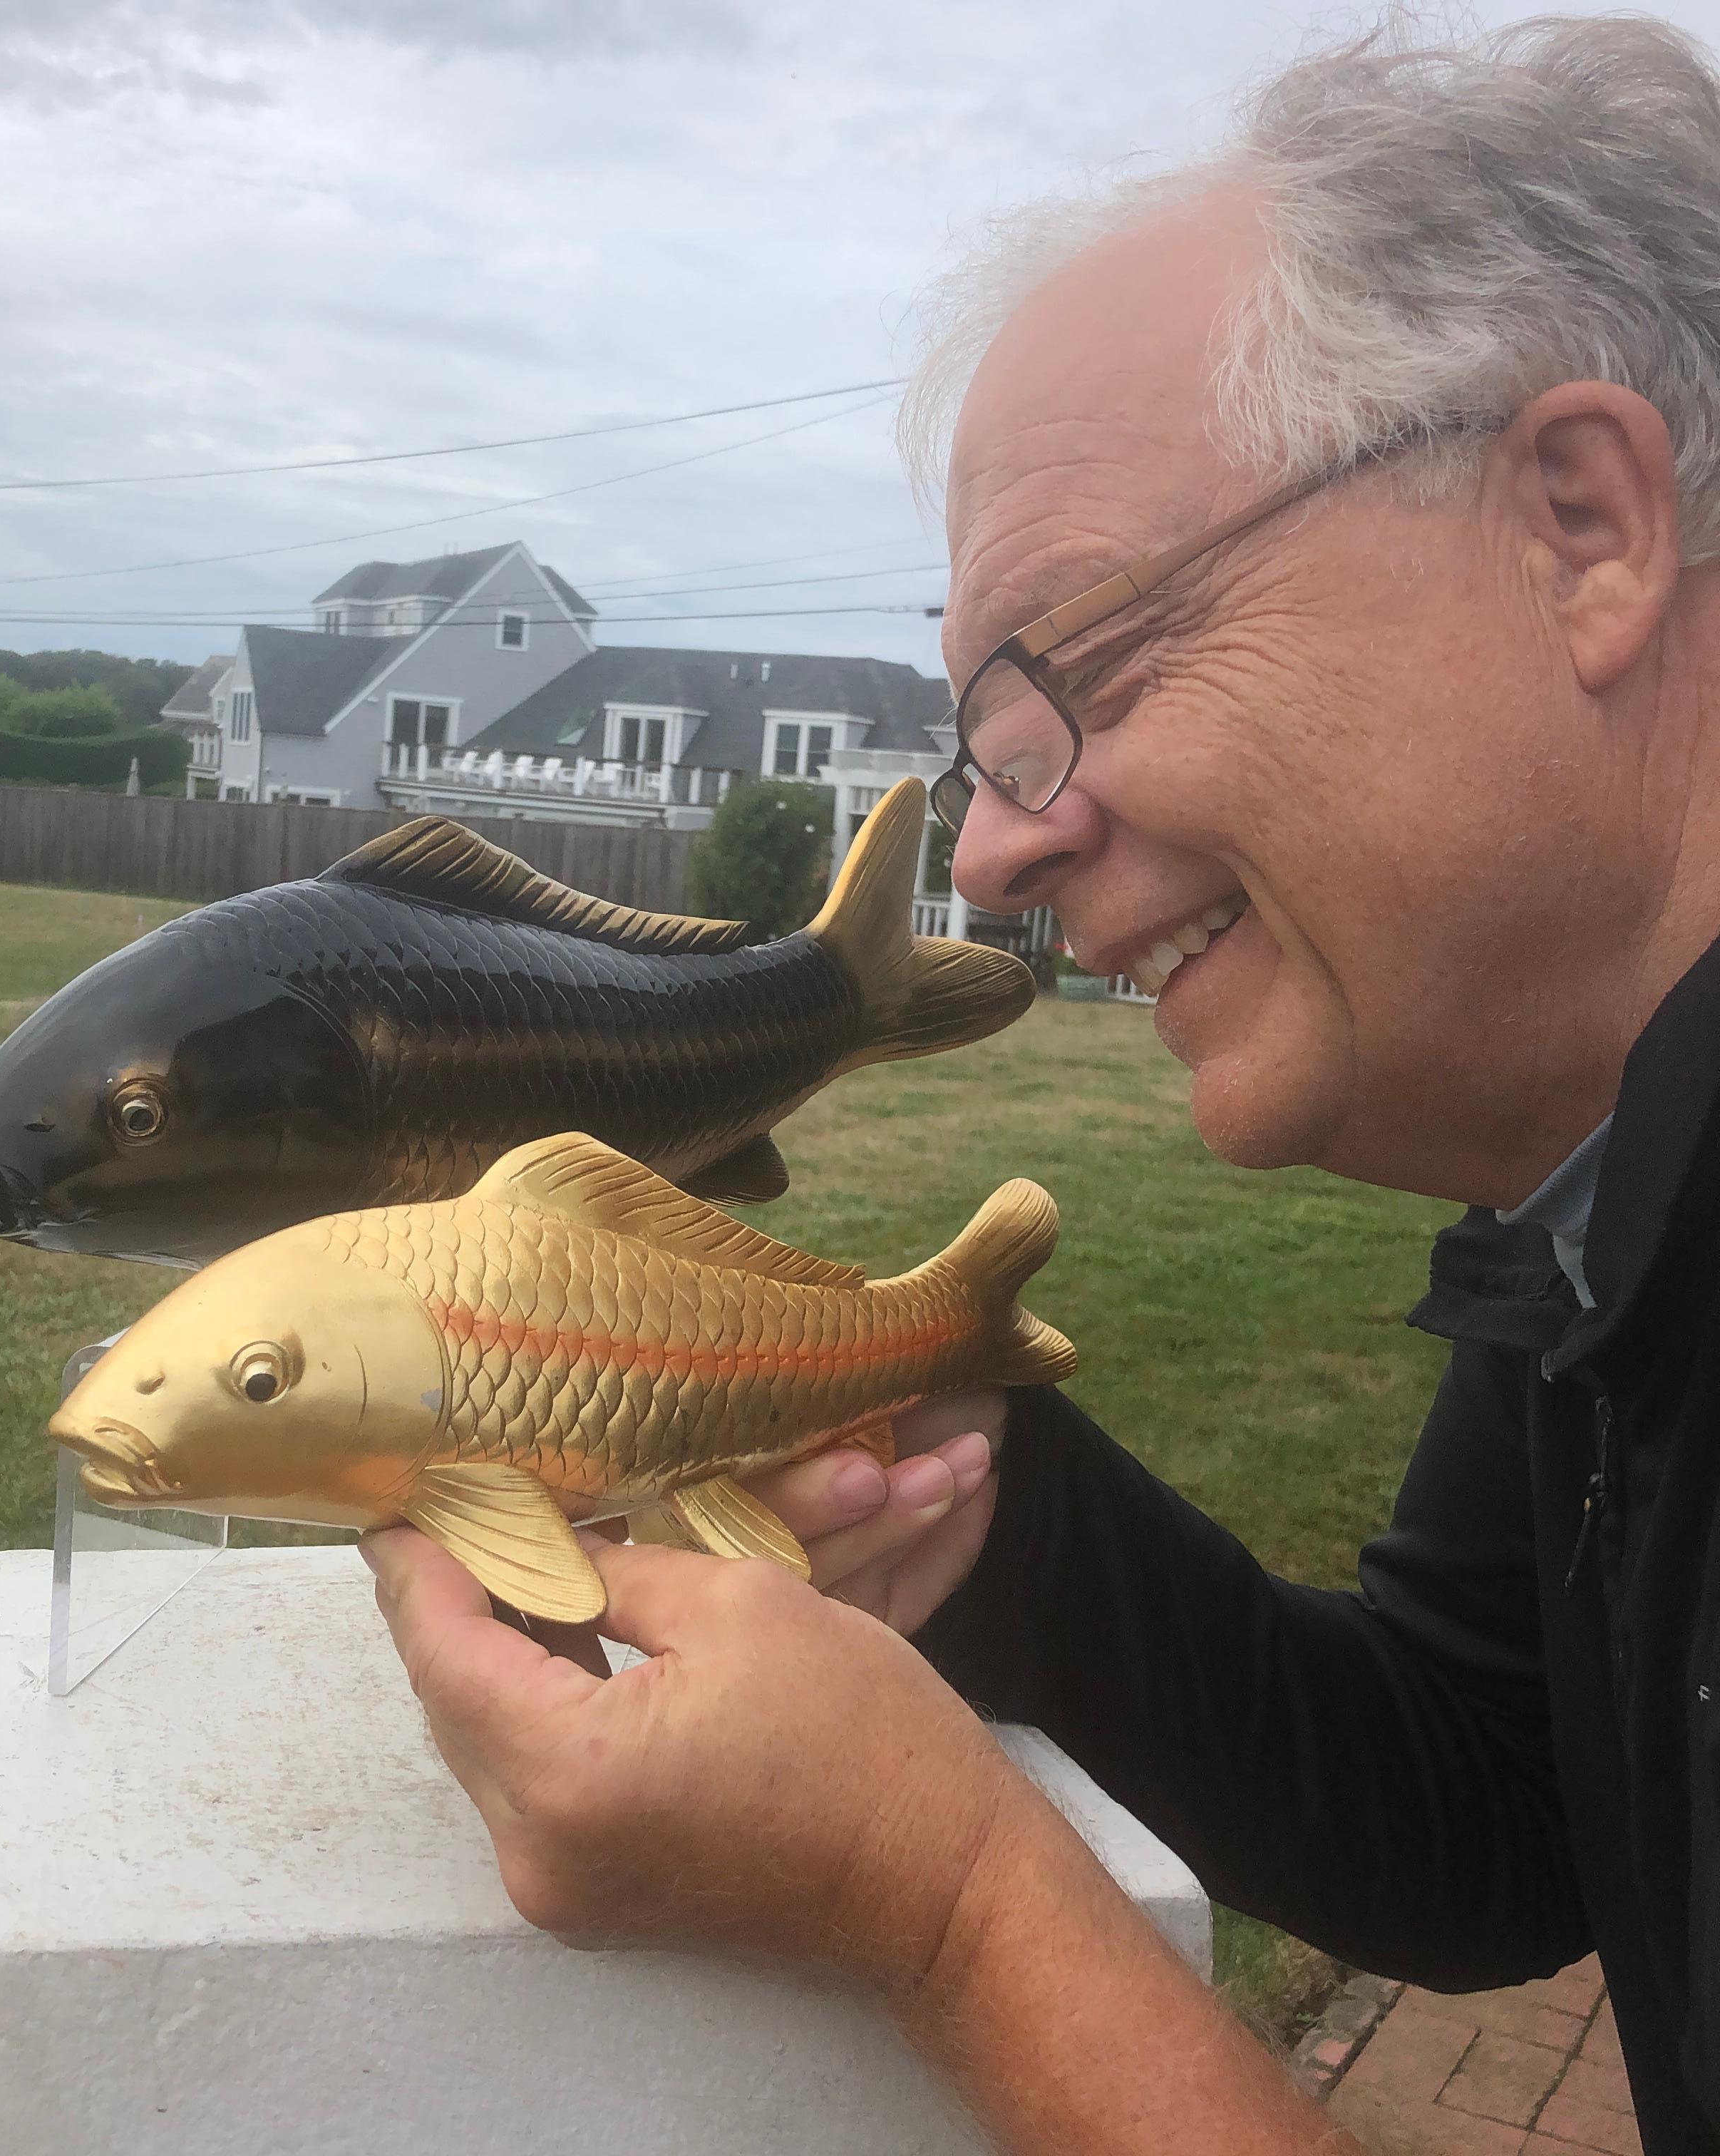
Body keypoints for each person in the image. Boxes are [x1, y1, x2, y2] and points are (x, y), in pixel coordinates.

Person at [362, 16, 1720, 2151]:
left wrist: (952, 1909)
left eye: (1075, 669)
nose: (992, 844)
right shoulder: (1596, 1187)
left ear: (1582, 526)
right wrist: (955, 1475)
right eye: (990, 739)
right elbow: (1486, 1807)